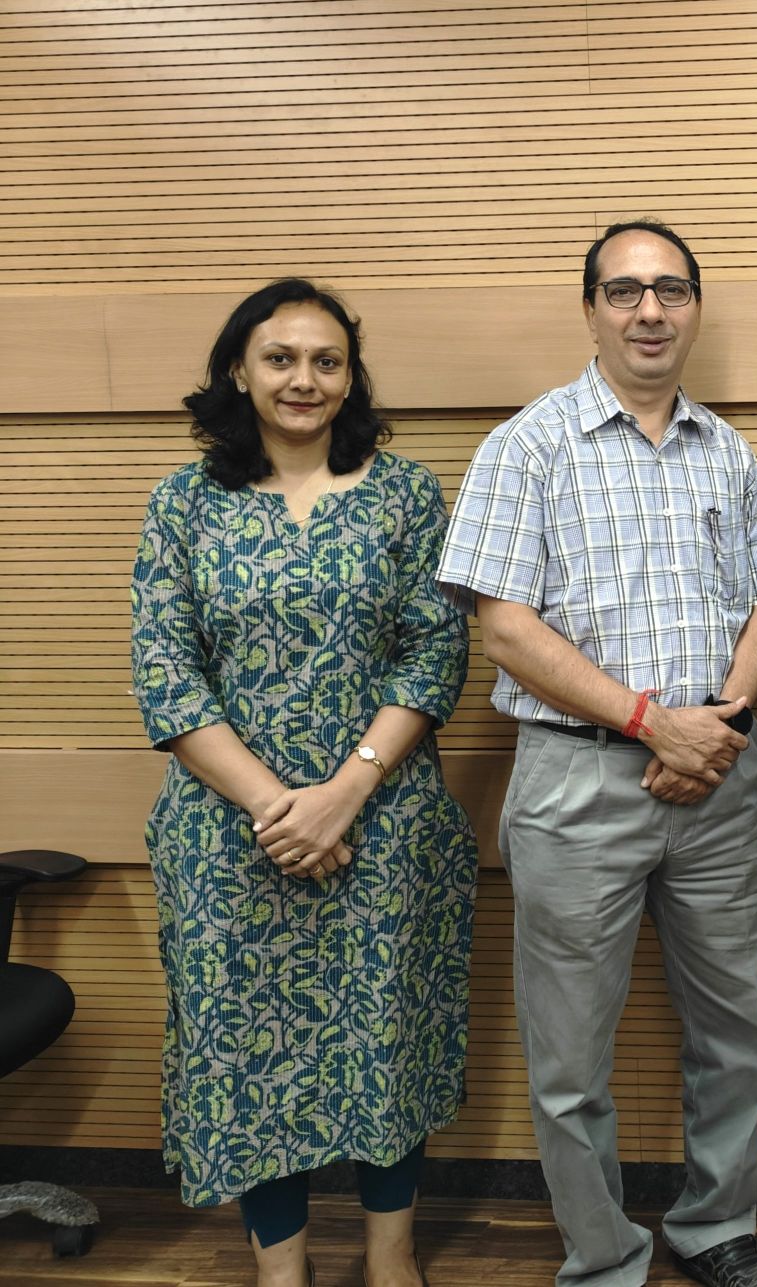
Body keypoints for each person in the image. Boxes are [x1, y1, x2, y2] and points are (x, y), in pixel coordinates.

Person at [436, 220, 757, 1287]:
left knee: (733, 1032)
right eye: (625, 291)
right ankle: (602, 1259)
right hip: (575, 780)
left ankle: (715, 1229)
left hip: (720, 778)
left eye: (671, 291)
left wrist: (715, 726)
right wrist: (655, 724)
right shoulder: (526, 446)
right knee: (568, 1061)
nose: (650, 311)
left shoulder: (724, 449)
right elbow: (502, 628)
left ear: (695, 308)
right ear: (589, 308)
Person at [130, 278, 477, 1287]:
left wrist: (342, 793)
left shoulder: (405, 492)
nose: (304, 380)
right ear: (238, 369)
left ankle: (390, 1258)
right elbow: (164, 671)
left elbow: (431, 654)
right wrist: (275, 806)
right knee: (246, 1053)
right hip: (228, 838)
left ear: (351, 375)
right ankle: (282, 1271)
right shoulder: (183, 503)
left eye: (327, 361)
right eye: (280, 358)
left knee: (387, 1032)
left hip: (386, 822)